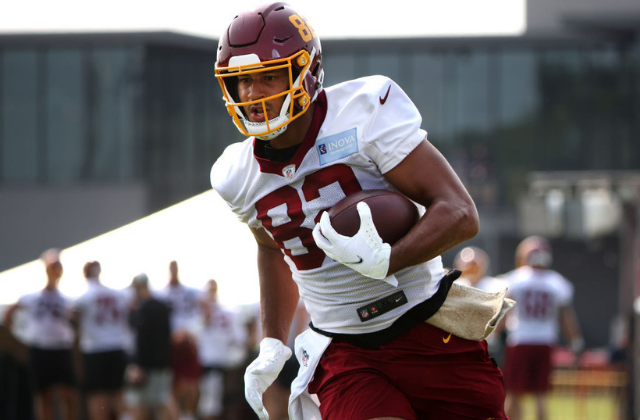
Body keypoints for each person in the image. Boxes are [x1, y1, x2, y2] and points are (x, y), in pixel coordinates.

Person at [210, 3, 512, 419]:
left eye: (268, 76)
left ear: (306, 71)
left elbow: (460, 212)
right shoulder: (235, 174)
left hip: (425, 326)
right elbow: (271, 248)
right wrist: (273, 342)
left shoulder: (363, 113)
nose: (252, 94)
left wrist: (390, 259)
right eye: (242, 81)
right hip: (344, 349)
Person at [501, 236, 584, 420]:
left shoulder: (515, 279)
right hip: (545, 341)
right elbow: (565, 317)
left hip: (520, 341)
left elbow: (502, 311)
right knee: (541, 396)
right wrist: (576, 342)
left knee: (514, 393)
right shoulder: (557, 282)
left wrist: (491, 335)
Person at [2, 248, 79, 420]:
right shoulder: (32, 297)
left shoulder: (67, 299)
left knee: (68, 394)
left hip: (61, 349)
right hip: (41, 349)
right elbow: (9, 315)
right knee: (44, 395)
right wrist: (23, 335)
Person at [71, 260, 130, 420]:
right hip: (118, 346)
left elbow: (73, 318)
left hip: (95, 349)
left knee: (97, 397)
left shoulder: (84, 297)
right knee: (118, 394)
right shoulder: (118, 294)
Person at [155, 260, 203, 420]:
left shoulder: (191, 292)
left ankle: (187, 415)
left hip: (188, 342)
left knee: (191, 384)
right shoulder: (161, 294)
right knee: (172, 386)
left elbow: (201, 312)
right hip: (171, 345)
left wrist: (191, 334)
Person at [125, 273, 174, 420]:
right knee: (160, 401)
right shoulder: (161, 306)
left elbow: (143, 340)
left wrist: (138, 364)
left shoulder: (146, 309)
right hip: (162, 363)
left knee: (143, 404)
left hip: (148, 366)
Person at [197, 279, 248, 420]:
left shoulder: (226, 313)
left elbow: (241, 340)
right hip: (218, 366)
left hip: (220, 366)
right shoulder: (206, 312)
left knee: (215, 406)